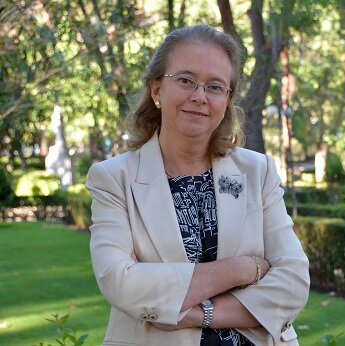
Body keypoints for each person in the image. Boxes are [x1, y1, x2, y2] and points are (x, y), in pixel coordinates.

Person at [86, 24, 310, 346]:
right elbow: (121, 283)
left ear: (227, 99)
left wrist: (198, 313)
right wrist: (242, 270)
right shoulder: (113, 179)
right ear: (156, 90)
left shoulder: (257, 171)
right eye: (186, 80)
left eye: (215, 86)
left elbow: (293, 283)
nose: (199, 96)